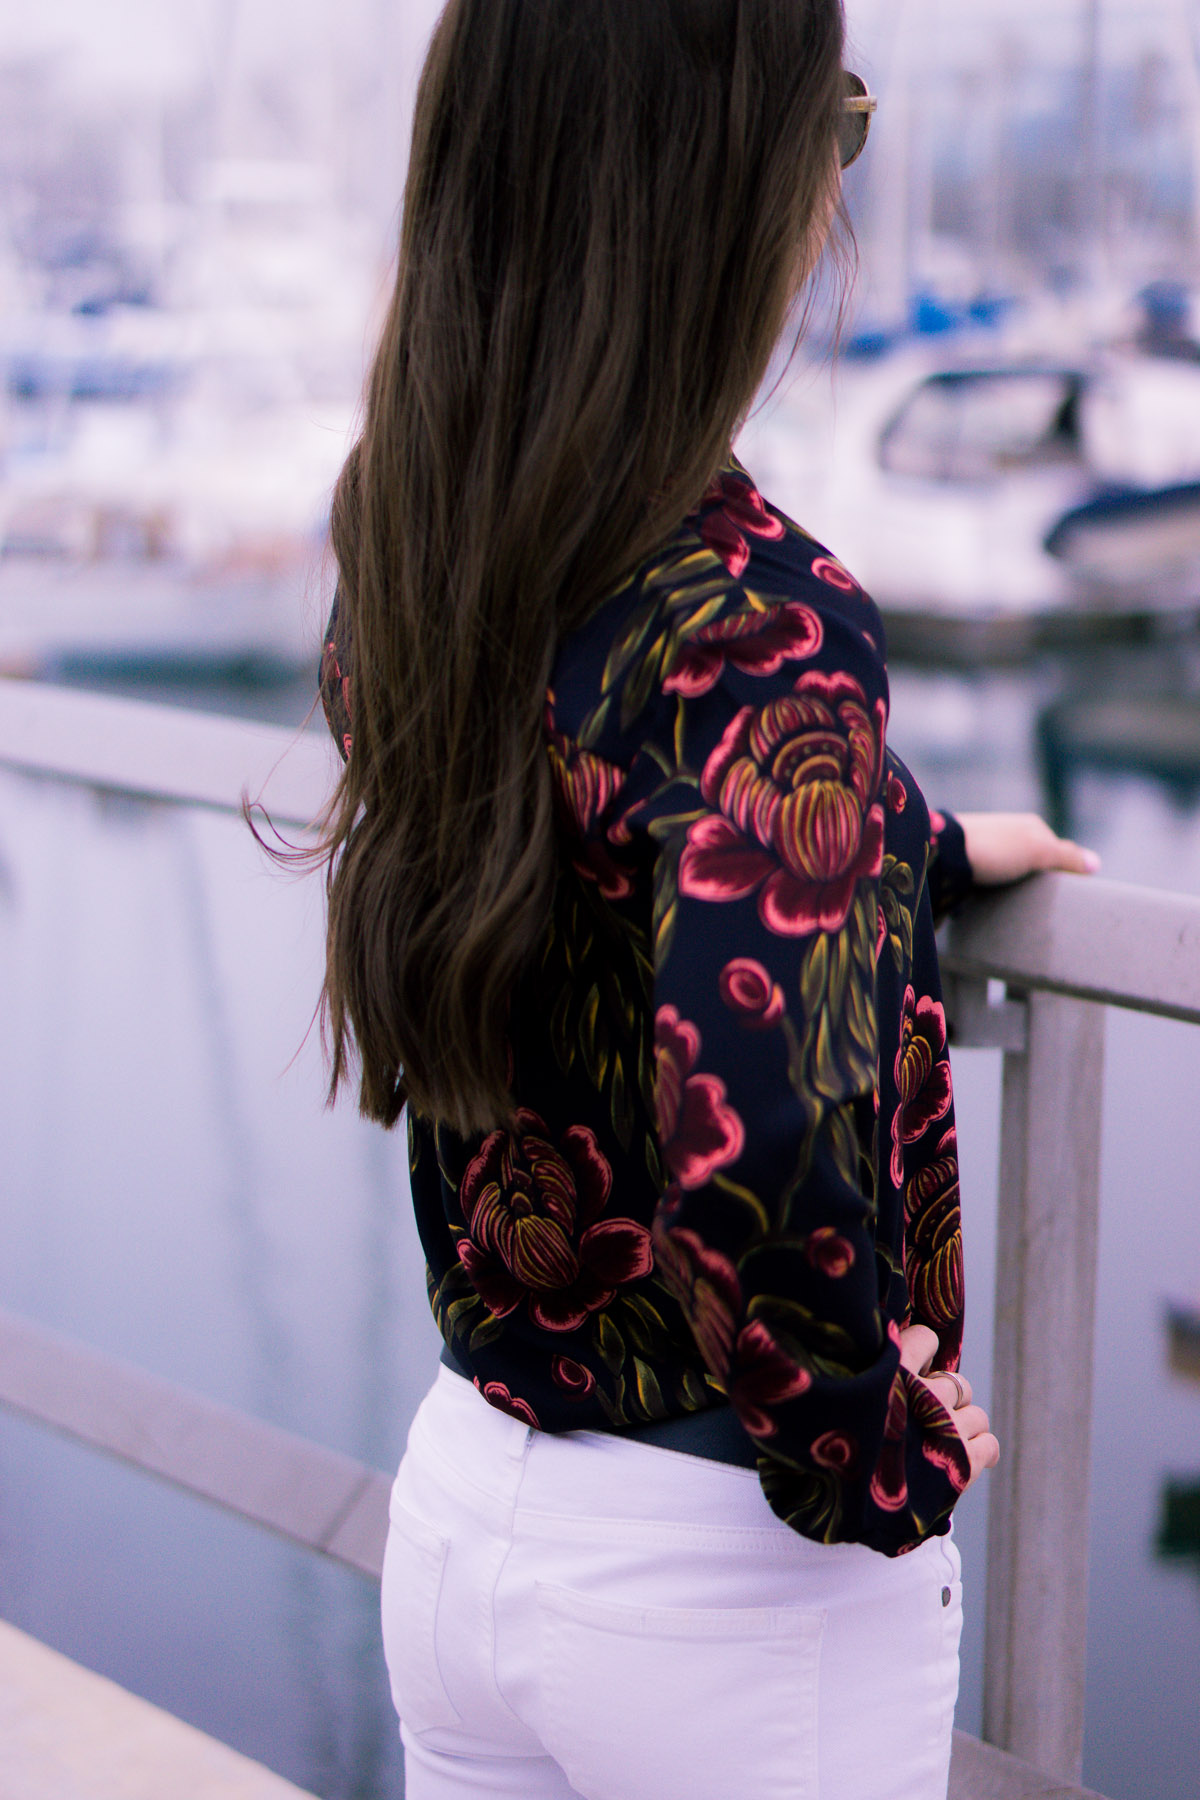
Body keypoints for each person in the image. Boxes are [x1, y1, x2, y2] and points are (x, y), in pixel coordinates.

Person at [315, 3, 1098, 1796]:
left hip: (472, 1502)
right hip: (731, 1580)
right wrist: (870, 1455)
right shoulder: (773, 613)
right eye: (835, 124)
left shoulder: (420, 528)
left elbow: (600, 785)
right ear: (716, 182)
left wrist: (884, 836)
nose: (834, 190)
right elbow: (755, 1136)